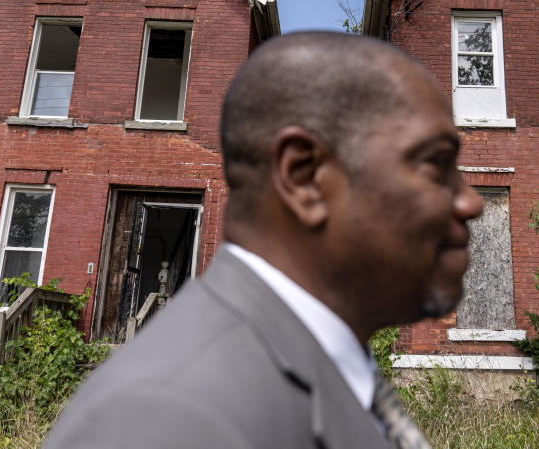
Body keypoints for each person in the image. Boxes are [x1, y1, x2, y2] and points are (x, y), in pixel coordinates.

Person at [43, 32, 483, 448]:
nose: (470, 203)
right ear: (303, 178)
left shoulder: (323, 367)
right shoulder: (168, 415)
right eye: (436, 164)